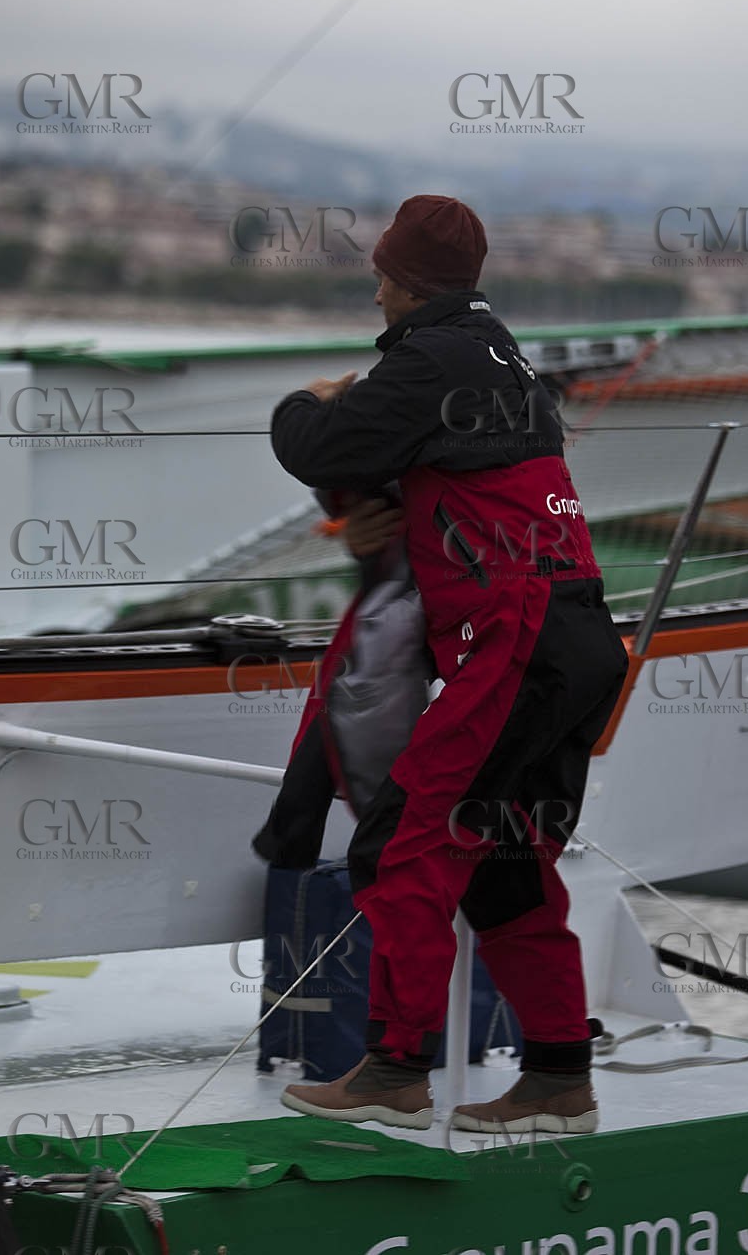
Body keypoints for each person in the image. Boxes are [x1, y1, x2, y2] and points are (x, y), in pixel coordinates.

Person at [270, 194, 628, 1133]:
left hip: (515, 637)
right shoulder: (505, 358)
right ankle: (559, 1079)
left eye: (381, 275)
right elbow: (456, 475)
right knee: (509, 861)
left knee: (403, 843)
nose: (375, 291)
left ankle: (395, 1071)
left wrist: (306, 402)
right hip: (579, 632)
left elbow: (320, 445)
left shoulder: (428, 359)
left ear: (402, 279)